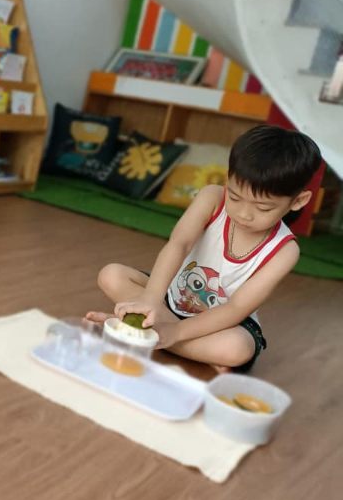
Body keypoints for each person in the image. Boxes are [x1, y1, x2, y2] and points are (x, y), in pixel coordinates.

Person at [86, 125, 322, 373]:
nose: (244, 214)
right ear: (228, 178)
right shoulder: (212, 197)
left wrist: (177, 332)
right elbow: (179, 244)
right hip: (171, 299)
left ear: (298, 201)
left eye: (263, 208)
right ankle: (171, 340)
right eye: (235, 197)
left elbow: (236, 308)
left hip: (219, 323)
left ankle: (145, 334)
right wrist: (151, 298)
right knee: (111, 275)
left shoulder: (285, 251)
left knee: (236, 349)